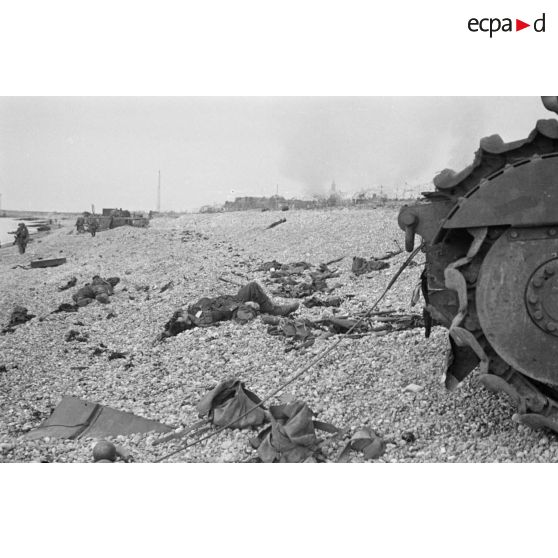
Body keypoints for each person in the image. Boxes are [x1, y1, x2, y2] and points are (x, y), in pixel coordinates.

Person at [160, 281, 299, 339]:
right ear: (187, 323)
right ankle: (276, 311)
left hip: (232, 299)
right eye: (181, 316)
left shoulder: (194, 311)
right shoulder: (201, 317)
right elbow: (224, 312)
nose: (182, 313)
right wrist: (245, 303)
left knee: (252, 287)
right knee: (252, 288)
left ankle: (271, 308)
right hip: (235, 305)